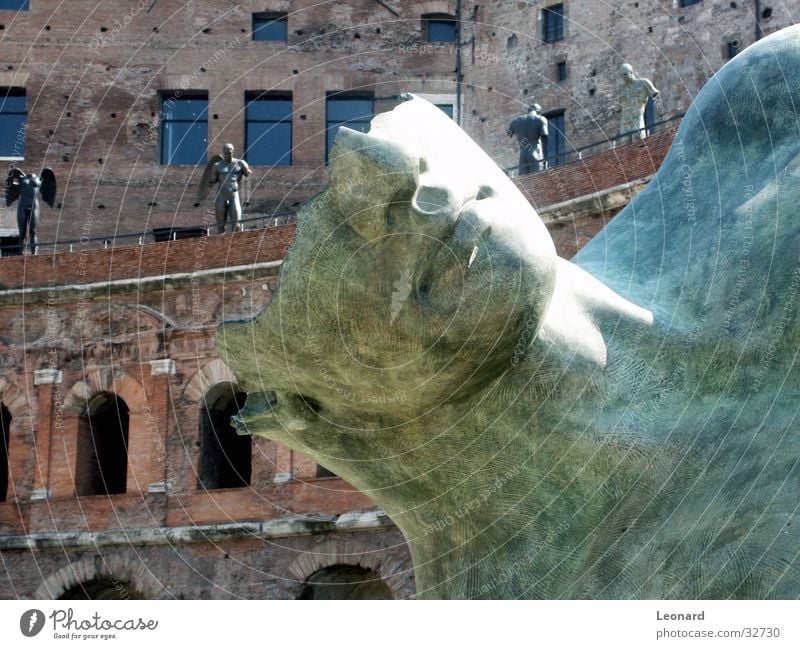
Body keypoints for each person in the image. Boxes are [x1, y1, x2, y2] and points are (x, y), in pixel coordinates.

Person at [198, 143, 252, 233]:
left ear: (233, 151)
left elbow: (248, 176)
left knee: (237, 226)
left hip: (234, 196)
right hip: (221, 196)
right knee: (220, 227)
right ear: (223, 152)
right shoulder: (217, 165)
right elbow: (212, 180)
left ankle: (235, 245)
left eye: (230, 150)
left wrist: (247, 198)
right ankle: (222, 245)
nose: (228, 152)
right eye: (226, 151)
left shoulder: (241, 163)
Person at [617, 63, 659, 143]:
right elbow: (617, 108)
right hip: (625, 121)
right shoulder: (620, 91)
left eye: (625, 74)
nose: (624, 77)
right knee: (624, 143)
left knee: (639, 139)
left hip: (637, 118)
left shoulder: (644, 83)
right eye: (622, 76)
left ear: (631, 72)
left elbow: (654, 93)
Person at [506, 104, 549, 175]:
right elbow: (545, 139)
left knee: (524, 181)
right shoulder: (540, 119)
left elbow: (508, 133)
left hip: (523, 154)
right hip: (535, 152)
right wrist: (546, 160)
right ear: (538, 111)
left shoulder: (515, 121)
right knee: (537, 178)